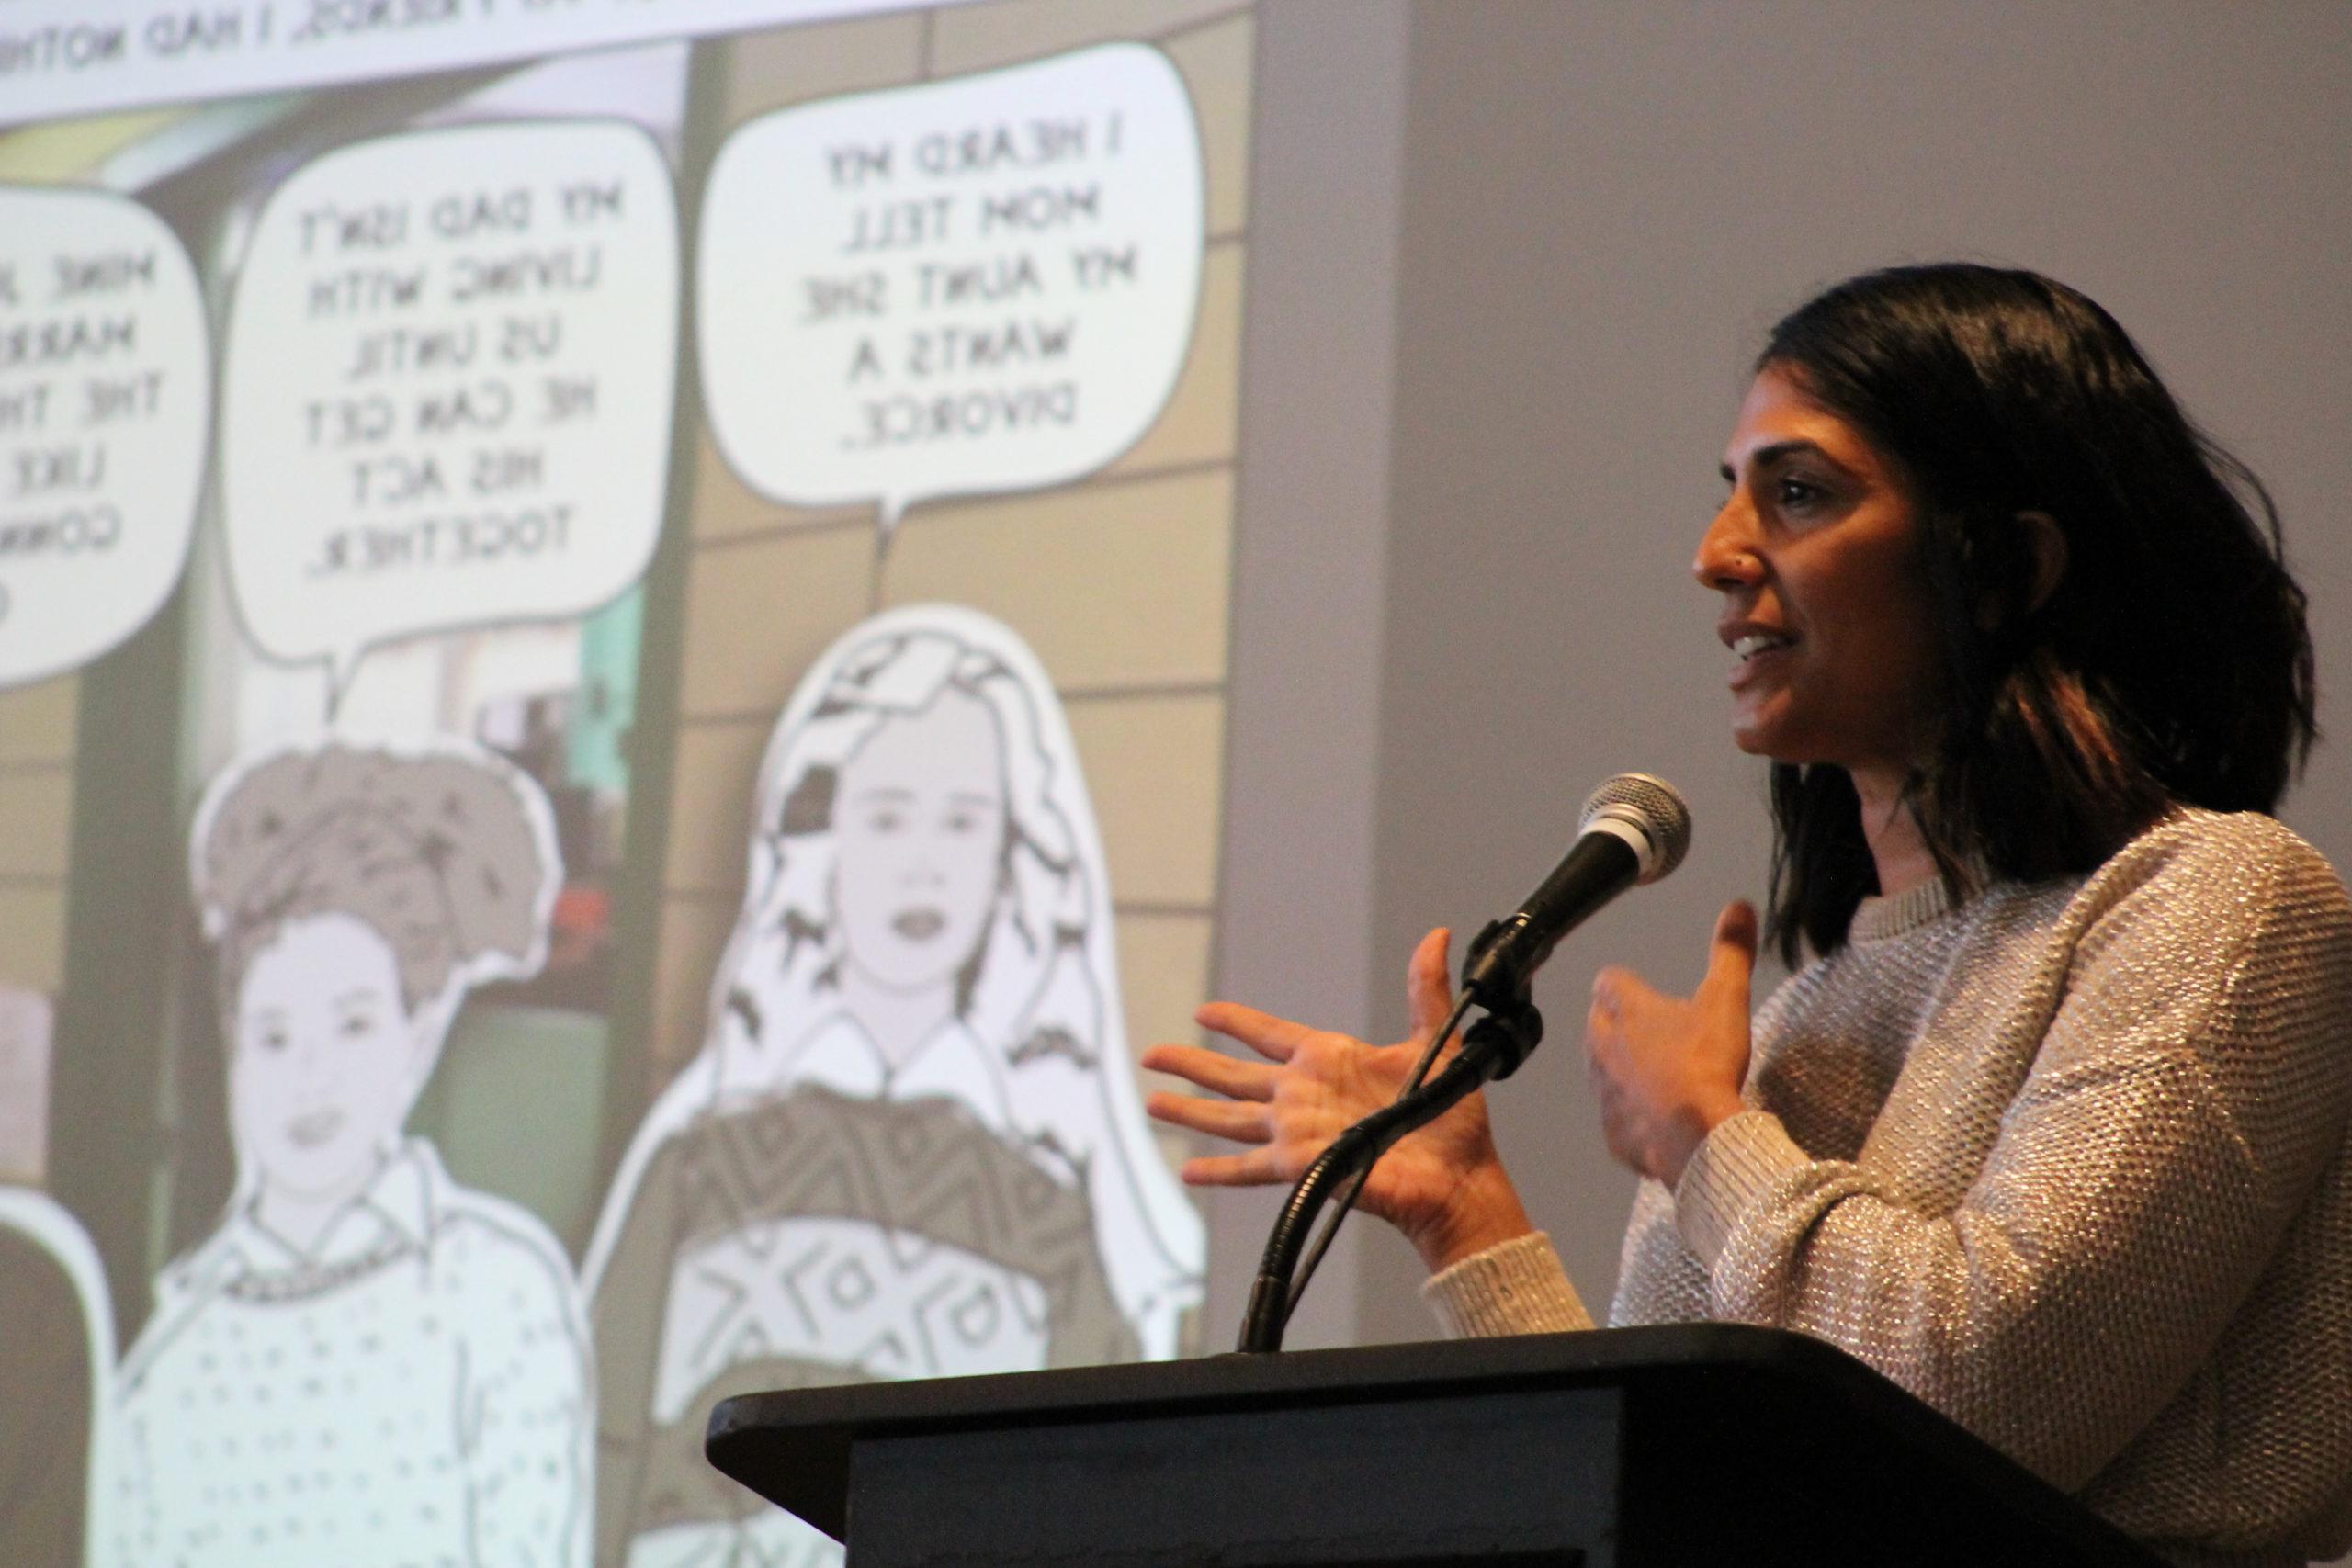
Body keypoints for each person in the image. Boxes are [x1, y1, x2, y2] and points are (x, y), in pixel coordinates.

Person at [1145, 264, 2352, 1566]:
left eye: (1796, 492)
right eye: (1730, 491)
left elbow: (1986, 1396)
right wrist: (1469, 1214)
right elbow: (1671, 1492)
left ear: (2003, 563)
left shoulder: (2219, 905)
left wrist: (1709, 1140)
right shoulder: (1811, 1005)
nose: (1716, 555)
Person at [585, 604, 1204, 1568]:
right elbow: (597, 1452)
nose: (923, 862)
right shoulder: (699, 1165)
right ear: (820, 841)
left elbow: (1099, 1510)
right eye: (886, 815)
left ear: (1009, 861)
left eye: (963, 821)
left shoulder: (1050, 1211)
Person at [115, 739, 592, 1568]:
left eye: (354, 1023)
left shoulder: (499, 1297)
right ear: (233, 1047)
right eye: (273, 1034)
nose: (311, 1074)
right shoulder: (177, 1352)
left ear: (416, 1037)